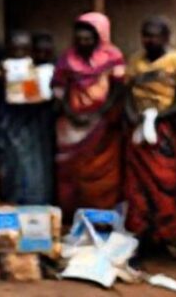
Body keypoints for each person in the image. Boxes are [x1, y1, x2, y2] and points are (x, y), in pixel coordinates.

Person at [123, 17, 176, 251]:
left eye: (155, 35)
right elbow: (127, 93)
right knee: (138, 182)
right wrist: (134, 117)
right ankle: (143, 234)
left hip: (165, 128)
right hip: (139, 128)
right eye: (146, 35)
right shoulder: (135, 62)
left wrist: (158, 117)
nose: (149, 40)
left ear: (166, 37)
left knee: (167, 180)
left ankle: (168, 233)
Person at [52, 13, 125, 218]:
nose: (83, 44)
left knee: (103, 172)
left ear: (99, 38)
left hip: (103, 122)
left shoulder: (113, 57)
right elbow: (59, 91)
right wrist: (72, 114)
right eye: (79, 39)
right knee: (71, 169)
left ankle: (102, 216)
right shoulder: (66, 59)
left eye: (88, 39)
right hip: (71, 125)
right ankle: (71, 215)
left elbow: (118, 89)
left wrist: (99, 114)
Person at [0, 31, 55, 205]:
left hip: (33, 127)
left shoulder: (38, 71)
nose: (19, 54)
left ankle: (38, 202)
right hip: (11, 125)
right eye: (15, 49)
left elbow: (36, 99)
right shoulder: (3, 69)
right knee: (13, 165)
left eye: (23, 50)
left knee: (35, 167)